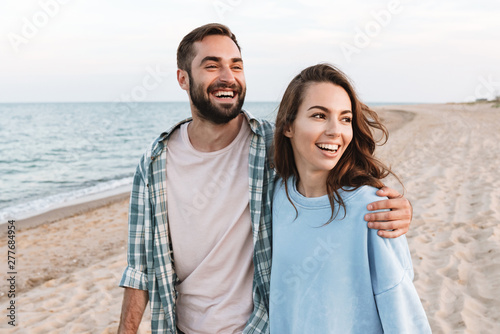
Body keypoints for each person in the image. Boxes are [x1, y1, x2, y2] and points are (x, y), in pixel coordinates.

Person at [117, 24, 414, 334]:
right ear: (182, 78)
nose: (227, 77)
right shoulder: (154, 164)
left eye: (236, 65)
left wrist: (397, 207)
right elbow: (140, 268)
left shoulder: (274, 146)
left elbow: (332, 172)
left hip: (259, 327)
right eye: (211, 65)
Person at [269, 63, 431, 333]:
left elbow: (402, 312)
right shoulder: (277, 196)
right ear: (288, 126)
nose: (336, 131)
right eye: (320, 116)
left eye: (345, 119)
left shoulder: (373, 209)